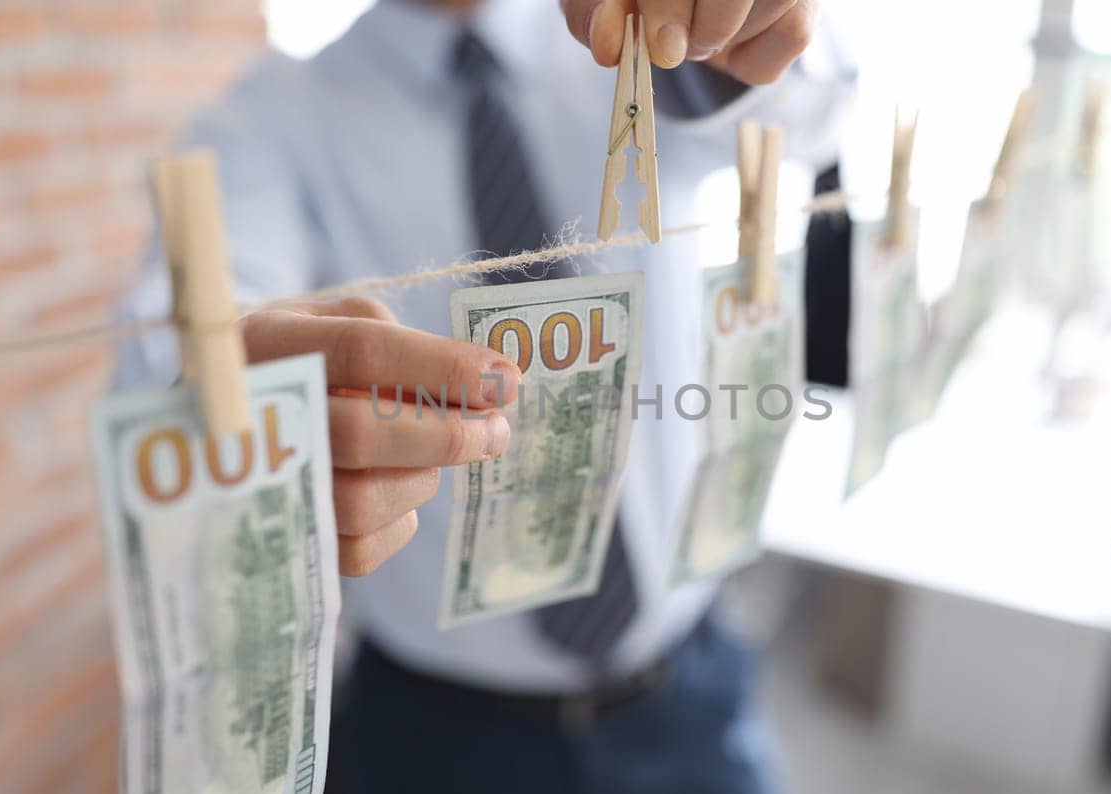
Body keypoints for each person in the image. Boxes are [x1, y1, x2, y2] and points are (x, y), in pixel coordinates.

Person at [113, 1, 853, 791]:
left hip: (691, 691)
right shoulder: (272, 116)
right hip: (432, 740)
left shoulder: (635, 35)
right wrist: (231, 412)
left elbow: (819, 112)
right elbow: (185, 325)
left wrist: (740, 34)